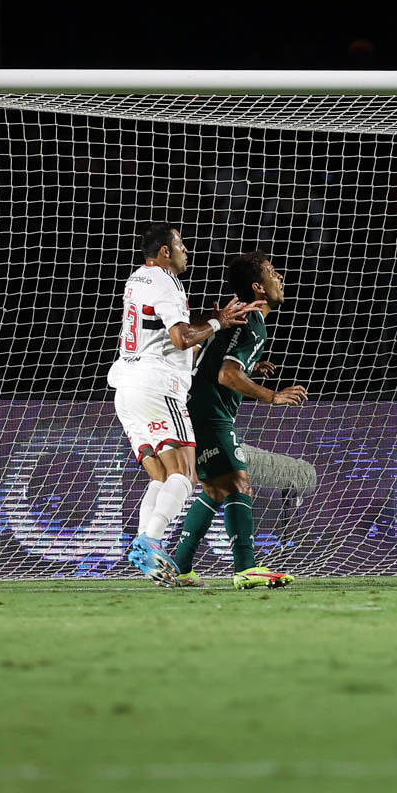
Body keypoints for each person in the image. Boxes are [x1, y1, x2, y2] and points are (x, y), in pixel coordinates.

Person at [108, 223, 260, 585]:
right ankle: (151, 540)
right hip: (157, 387)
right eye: (180, 245)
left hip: (127, 389)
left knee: (161, 476)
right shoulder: (165, 282)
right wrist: (218, 322)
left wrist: (206, 329)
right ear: (164, 252)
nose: (185, 250)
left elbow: (165, 331)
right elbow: (180, 338)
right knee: (185, 475)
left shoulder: (138, 279)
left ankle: (146, 548)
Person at [169, 251, 308, 589]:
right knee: (239, 484)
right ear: (259, 287)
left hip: (195, 409)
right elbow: (227, 375)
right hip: (209, 414)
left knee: (217, 489)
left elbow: (210, 355)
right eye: (273, 272)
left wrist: (251, 366)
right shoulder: (253, 322)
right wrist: (271, 395)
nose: (281, 278)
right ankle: (246, 567)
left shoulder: (240, 315)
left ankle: (180, 566)